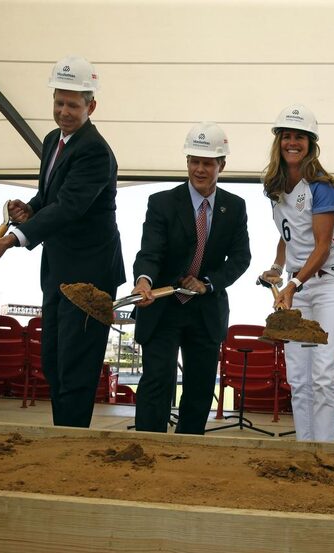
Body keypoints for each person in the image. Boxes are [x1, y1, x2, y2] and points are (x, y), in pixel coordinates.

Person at [0, 56, 125, 428]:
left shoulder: (94, 151)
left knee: (76, 363)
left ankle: (71, 442)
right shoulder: (52, 141)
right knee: (54, 360)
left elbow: (70, 207)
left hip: (89, 275)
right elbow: (52, 197)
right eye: (59, 102)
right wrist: (31, 208)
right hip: (58, 269)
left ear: (91, 106)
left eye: (73, 105)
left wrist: (10, 240)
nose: (63, 112)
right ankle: (64, 435)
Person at [132, 122, 251, 435]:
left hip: (205, 310)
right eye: (194, 161)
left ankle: (189, 453)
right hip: (163, 307)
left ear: (221, 165)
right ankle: (147, 449)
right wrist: (144, 281)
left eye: (208, 163)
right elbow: (150, 251)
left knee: (199, 387)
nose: (200, 169)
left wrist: (208, 283)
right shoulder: (162, 203)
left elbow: (241, 259)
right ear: (187, 162)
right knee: (157, 380)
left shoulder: (235, 208)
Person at [259, 104, 334, 443]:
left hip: (329, 284)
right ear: (279, 142)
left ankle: (325, 453)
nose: (292, 143)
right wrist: (276, 267)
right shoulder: (276, 187)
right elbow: (288, 236)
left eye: (300, 137)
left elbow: (322, 245)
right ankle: (305, 449)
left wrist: (294, 283)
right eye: (287, 136)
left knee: (324, 375)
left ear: (310, 143)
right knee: (299, 377)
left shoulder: (321, 186)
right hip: (297, 286)